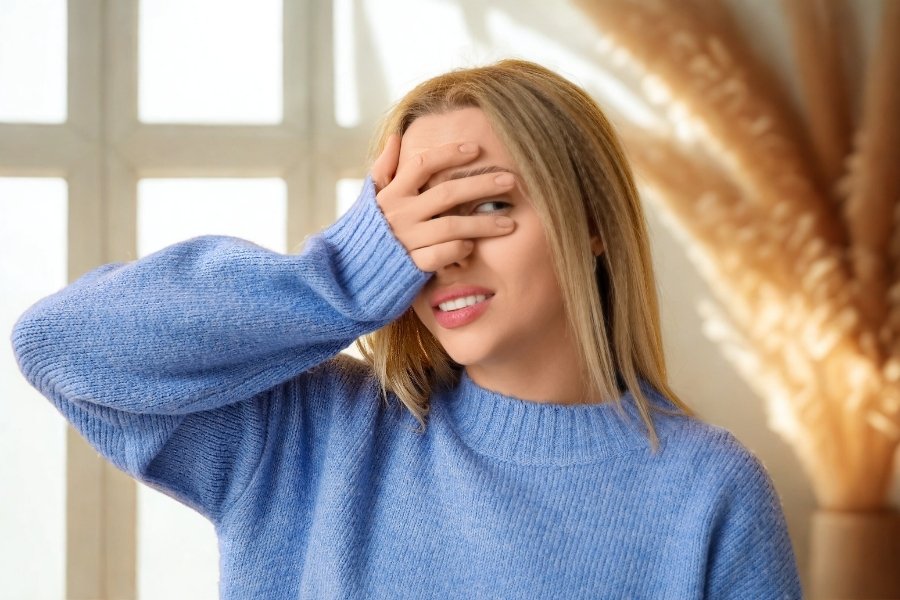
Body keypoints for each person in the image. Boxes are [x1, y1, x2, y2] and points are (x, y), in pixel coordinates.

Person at [10, 59, 802, 599]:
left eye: (486, 204)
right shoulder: (312, 435)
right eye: (414, 217)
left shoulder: (709, 493)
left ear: (592, 224)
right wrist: (346, 275)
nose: (445, 253)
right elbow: (58, 342)